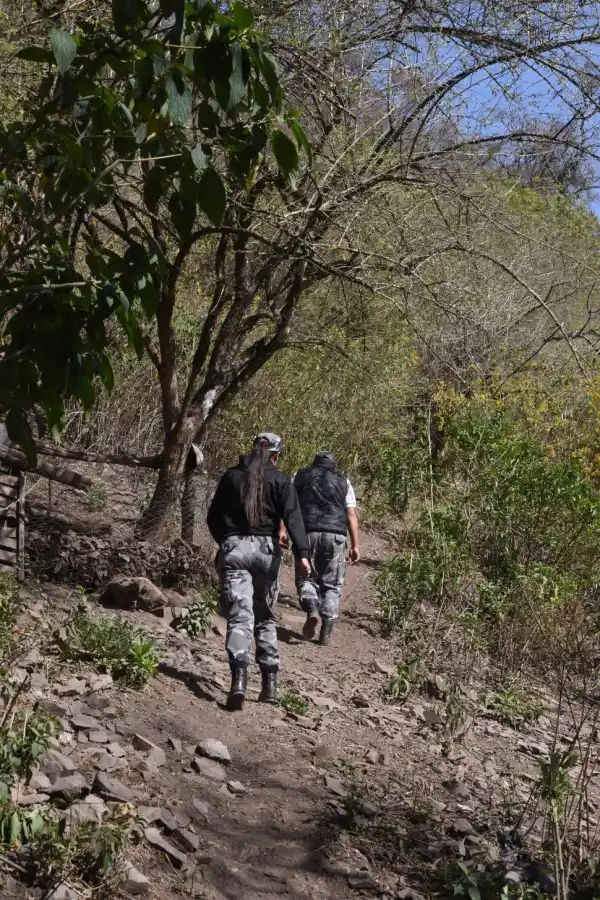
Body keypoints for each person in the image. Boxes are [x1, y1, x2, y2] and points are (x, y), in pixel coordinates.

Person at [207, 432, 311, 711]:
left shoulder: (231, 476)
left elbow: (212, 516)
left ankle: (238, 682)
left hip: (234, 550)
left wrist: (226, 542)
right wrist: (303, 555)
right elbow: (293, 518)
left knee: (239, 616)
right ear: (276, 455)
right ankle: (269, 686)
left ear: (253, 450)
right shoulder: (281, 480)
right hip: (267, 553)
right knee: (264, 616)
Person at [283, 451, 360, 646]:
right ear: (333, 465)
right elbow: (351, 515)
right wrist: (355, 545)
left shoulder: (299, 476)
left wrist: (282, 530)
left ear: (314, 462)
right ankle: (326, 630)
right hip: (335, 535)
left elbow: (287, 506)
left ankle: (312, 608)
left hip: (306, 533)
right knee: (332, 584)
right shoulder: (344, 481)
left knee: (306, 578)